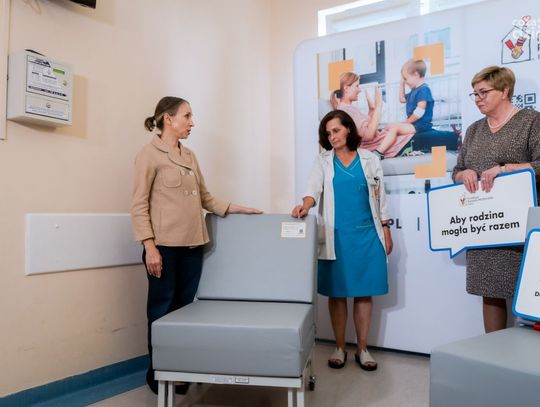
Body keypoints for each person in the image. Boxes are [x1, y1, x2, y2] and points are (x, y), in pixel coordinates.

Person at [131, 96, 262, 394]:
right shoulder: (148, 155)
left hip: (192, 246)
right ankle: (158, 373)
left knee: (184, 310)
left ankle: (180, 368)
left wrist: (240, 209)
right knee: (161, 311)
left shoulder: (189, 155)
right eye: (187, 116)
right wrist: (150, 247)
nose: (192, 122)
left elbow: (205, 198)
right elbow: (138, 205)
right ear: (168, 119)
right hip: (163, 248)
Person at [292, 109, 393, 371]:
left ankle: (362, 349)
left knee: (363, 293)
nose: (332, 136)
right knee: (337, 295)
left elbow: (381, 196)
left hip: (368, 235)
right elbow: (312, 189)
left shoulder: (370, 159)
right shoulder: (323, 161)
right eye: (328, 133)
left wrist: (386, 228)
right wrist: (305, 205)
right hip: (336, 236)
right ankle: (339, 347)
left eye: (336, 130)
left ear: (348, 128)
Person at [452, 66, 540, 333]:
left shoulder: (531, 121)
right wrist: (465, 173)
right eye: (474, 94)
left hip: (523, 224)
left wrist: (505, 169)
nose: (478, 99)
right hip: (485, 226)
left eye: (483, 92)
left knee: (532, 290)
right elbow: (456, 171)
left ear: (504, 91)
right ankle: (493, 350)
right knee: (490, 291)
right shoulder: (473, 130)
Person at [330, 71, 414, 159]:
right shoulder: (347, 110)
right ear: (346, 88)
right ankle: (379, 153)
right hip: (378, 145)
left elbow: (364, 128)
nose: (359, 90)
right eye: (357, 86)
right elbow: (369, 135)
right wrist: (378, 106)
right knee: (413, 130)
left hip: (378, 141)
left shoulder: (346, 108)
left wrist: (372, 110)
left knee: (395, 127)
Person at [381, 59, 435, 156]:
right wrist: (401, 83)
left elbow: (419, 112)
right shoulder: (414, 91)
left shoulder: (424, 90)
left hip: (421, 126)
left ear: (416, 75)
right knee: (388, 126)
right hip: (414, 124)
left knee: (394, 128)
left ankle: (379, 151)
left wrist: (406, 122)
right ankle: (382, 146)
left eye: (406, 79)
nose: (405, 82)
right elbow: (402, 99)